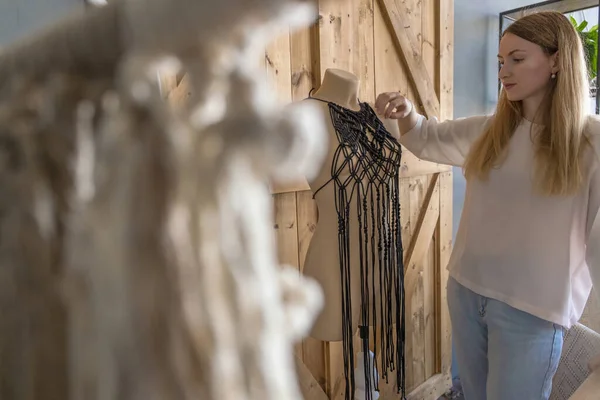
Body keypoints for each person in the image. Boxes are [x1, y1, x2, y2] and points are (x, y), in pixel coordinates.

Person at [374, 11, 600, 400]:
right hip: (465, 289)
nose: (503, 71)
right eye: (500, 62)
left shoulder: (590, 142)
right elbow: (426, 138)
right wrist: (406, 113)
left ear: (557, 61)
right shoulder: (490, 130)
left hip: (532, 311)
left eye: (517, 58)